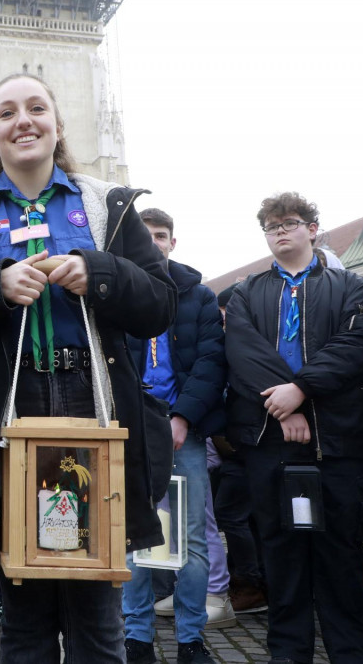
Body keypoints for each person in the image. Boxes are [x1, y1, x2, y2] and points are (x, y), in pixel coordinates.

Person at [0, 73, 177, 663]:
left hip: (94, 407)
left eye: (36, 108)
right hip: (11, 416)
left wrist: (100, 272)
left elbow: (160, 307)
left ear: (58, 125)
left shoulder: (106, 205)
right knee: (25, 617)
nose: (22, 120)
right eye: (6, 113)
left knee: (97, 618)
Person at [225, 191, 363, 663]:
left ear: (312, 228)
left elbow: (357, 346)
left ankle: (350, 653)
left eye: (289, 223)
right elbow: (244, 353)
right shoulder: (247, 293)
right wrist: (286, 406)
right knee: (282, 559)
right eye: (271, 227)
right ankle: (288, 653)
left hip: (337, 443)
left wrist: (303, 389)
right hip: (269, 442)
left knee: (340, 558)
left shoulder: (350, 285)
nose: (280, 232)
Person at [123, 208, 228, 664]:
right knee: (132, 536)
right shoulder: (117, 294)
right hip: (131, 431)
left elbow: (210, 362)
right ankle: (137, 637)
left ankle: (190, 637)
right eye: (145, 236)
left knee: (191, 542)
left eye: (161, 235)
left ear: (173, 243)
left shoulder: (200, 296)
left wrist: (182, 417)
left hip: (184, 431)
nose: (154, 242)